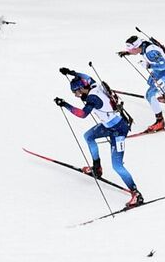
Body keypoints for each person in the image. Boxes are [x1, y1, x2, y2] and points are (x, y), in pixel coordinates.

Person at [56, 68, 143, 207]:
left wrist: (64, 104)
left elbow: (82, 114)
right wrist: (71, 72)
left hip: (119, 130)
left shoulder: (92, 98)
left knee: (117, 166)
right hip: (108, 125)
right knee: (88, 136)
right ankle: (97, 168)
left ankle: (136, 194)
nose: (76, 95)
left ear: (82, 88)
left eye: (76, 92)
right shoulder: (93, 85)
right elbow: (85, 76)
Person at [118, 34, 165, 134]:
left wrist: (149, 65)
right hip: (159, 70)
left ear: (137, 47)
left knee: (149, 95)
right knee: (150, 82)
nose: (130, 51)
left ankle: (160, 122)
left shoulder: (151, 52)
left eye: (131, 49)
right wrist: (127, 53)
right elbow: (136, 51)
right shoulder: (142, 45)